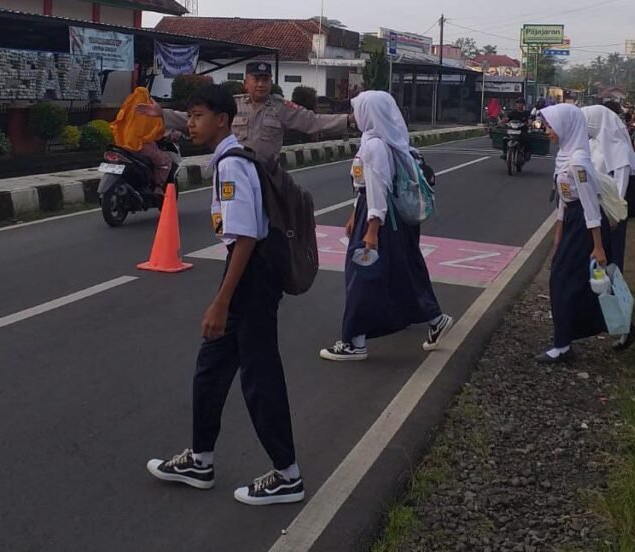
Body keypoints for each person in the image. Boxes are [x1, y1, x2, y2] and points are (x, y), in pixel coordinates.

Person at [146, 84, 304, 506]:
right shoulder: (231, 159)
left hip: (249, 281)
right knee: (211, 368)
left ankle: (287, 474)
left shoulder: (232, 166)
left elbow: (246, 238)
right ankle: (200, 459)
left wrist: (222, 301)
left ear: (221, 120)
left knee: (259, 376)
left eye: (198, 116)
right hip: (249, 278)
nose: (192, 123)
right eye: (189, 116)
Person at [319, 91, 453, 361]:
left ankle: (354, 342)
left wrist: (370, 229)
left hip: (379, 221)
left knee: (361, 278)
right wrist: (354, 215)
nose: (356, 115)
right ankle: (435, 318)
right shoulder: (393, 141)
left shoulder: (374, 146)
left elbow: (378, 189)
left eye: (359, 109)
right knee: (405, 270)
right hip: (392, 221)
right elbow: (367, 189)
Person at [137, 62, 353, 171]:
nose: (261, 84)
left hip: (267, 175)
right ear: (246, 82)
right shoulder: (233, 104)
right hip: (235, 170)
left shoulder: (281, 107)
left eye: (265, 79)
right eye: (256, 79)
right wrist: (162, 114)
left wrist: (348, 120)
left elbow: (313, 122)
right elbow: (197, 119)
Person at [535, 104, 611, 364]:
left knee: (563, 280)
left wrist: (598, 246)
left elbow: (590, 205)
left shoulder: (578, 160)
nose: (547, 131)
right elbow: (563, 199)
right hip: (572, 221)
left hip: (584, 225)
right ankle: (566, 337)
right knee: (564, 278)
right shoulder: (565, 156)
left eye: (550, 126)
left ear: (566, 126)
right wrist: (558, 232)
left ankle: (563, 345)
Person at [582, 105, 635, 273]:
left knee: (611, 257)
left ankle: (611, 295)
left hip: (612, 213)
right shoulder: (592, 144)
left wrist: (613, 217)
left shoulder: (620, 149)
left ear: (596, 123)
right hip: (595, 209)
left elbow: (620, 188)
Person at [110, 87, 171, 196]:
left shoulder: (127, 107)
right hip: (141, 147)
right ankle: (158, 187)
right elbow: (157, 130)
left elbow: (116, 123)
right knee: (165, 162)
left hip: (122, 146)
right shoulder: (148, 112)